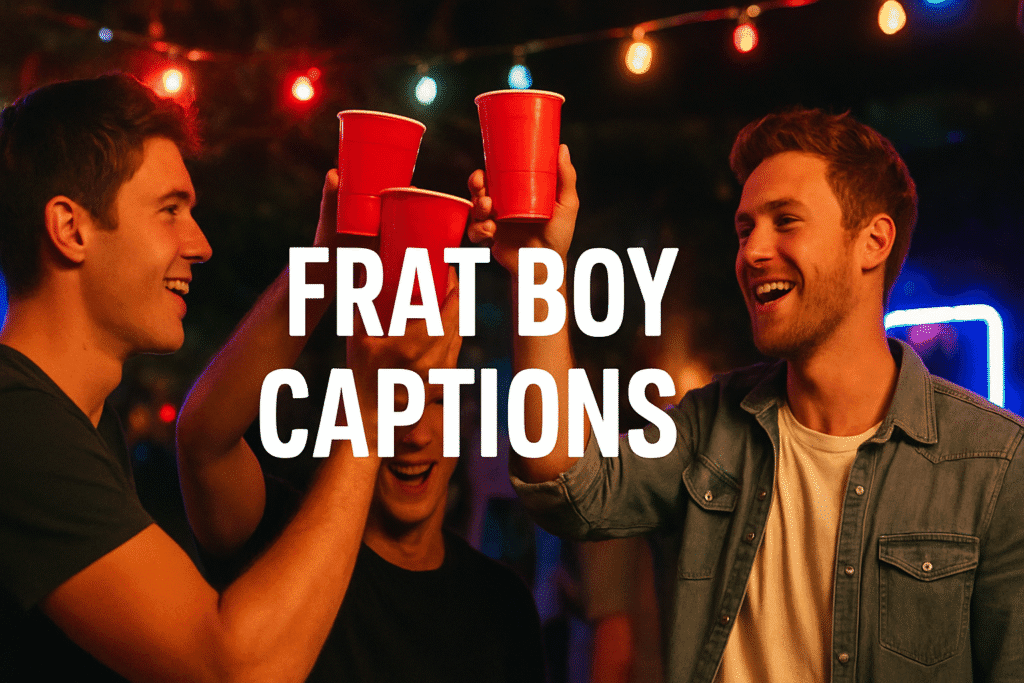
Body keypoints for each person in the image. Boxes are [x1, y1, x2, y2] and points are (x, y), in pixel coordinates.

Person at [467, 109, 1024, 682]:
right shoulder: (709, 430)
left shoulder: (996, 466)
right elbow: (564, 486)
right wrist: (536, 265)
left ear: (873, 241)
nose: (753, 251)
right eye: (744, 229)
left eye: (786, 222)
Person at [0, 73, 391, 682]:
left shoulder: (74, 420)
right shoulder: (19, 425)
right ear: (71, 230)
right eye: (169, 211)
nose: (200, 244)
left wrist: (330, 261)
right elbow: (234, 668)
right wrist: (371, 407)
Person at [175, 194, 546, 681]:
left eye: (436, 401)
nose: (414, 434)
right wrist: (327, 261)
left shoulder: (503, 604)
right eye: (394, 400)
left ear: (465, 420)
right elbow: (203, 441)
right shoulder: (279, 537)